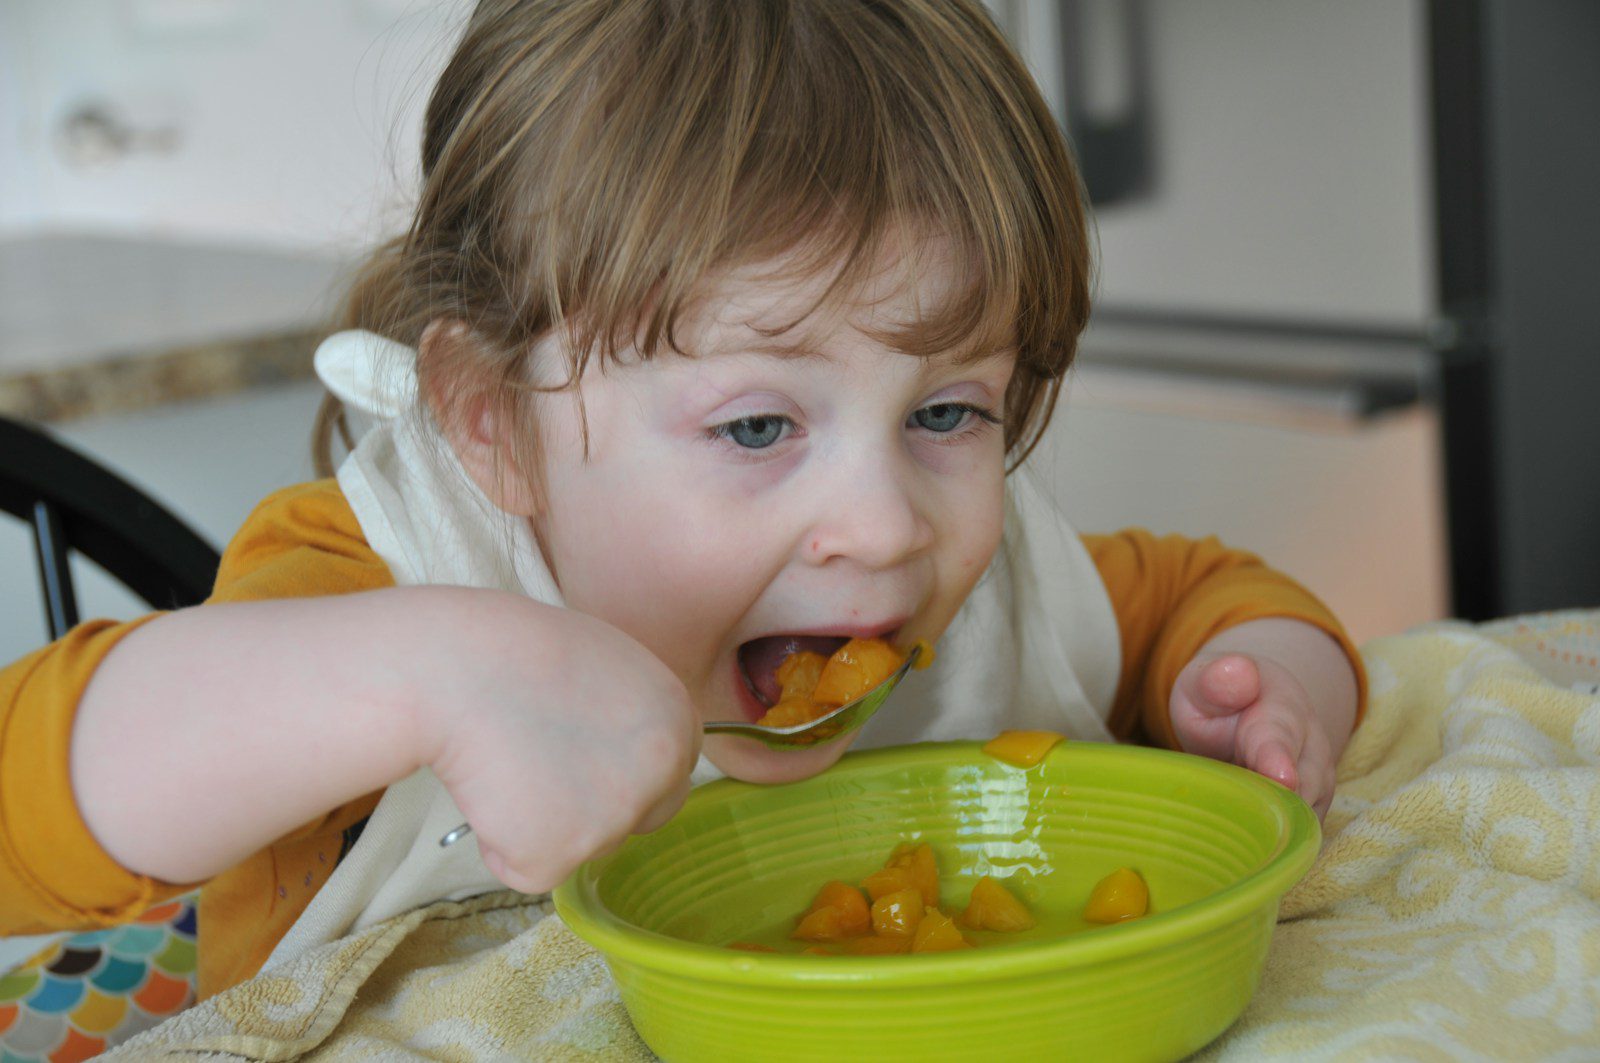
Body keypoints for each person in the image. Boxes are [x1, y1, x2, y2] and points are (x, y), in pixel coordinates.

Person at [0, 0, 1363, 1004]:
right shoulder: (384, 582)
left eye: (947, 412)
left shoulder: (986, 597)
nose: (886, 526)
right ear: (498, 425)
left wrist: (1265, 686)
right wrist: (426, 674)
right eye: (759, 425)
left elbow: (1205, 599)